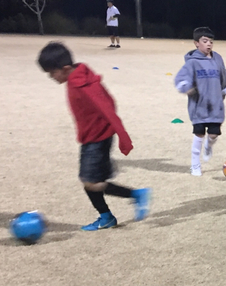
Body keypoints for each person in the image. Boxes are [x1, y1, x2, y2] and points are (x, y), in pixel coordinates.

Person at [37, 41, 151, 231]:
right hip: (92, 137)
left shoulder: (83, 84)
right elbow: (109, 101)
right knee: (91, 180)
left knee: (91, 182)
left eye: (52, 73)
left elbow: (108, 108)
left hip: (97, 139)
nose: (51, 77)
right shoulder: (78, 77)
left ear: (65, 68)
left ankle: (133, 197)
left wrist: (123, 137)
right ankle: (109, 214)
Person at [174, 26, 226, 176]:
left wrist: (223, 90)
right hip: (199, 105)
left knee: (213, 134)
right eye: (205, 41)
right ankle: (195, 165)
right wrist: (187, 87)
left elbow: (223, 77)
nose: (209, 44)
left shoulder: (217, 59)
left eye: (211, 41)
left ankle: (209, 146)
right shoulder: (192, 62)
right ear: (196, 43)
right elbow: (181, 78)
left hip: (215, 105)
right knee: (199, 134)